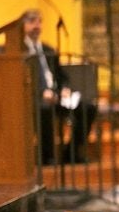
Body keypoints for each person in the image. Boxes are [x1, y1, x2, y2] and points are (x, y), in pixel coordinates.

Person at [22, 9, 97, 164]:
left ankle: (70, 153)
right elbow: (20, 79)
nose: (36, 26)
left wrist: (64, 88)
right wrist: (42, 92)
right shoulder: (18, 52)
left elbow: (61, 76)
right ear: (22, 26)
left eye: (39, 22)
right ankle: (47, 156)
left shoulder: (48, 50)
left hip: (56, 95)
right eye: (31, 22)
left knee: (88, 107)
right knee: (44, 109)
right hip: (33, 98)